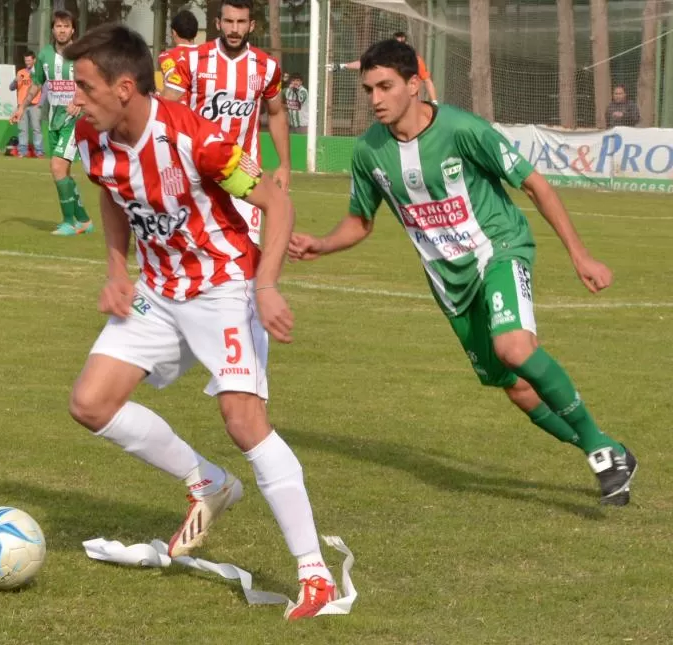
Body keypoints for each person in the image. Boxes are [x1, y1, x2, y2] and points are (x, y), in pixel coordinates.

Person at [65, 23, 338, 619]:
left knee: (244, 421)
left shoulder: (196, 139)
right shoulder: (93, 135)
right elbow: (111, 193)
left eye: (85, 86)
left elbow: (276, 202)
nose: (75, 98)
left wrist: (266, 286)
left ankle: (315, 574)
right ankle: (208, 482)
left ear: (125, 87)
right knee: (90, 403)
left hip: (224, 286)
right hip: (160, 290)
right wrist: (117, 267)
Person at [289, 39, 637, 506]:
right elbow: (361, 220)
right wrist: (323, 243)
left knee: (513, 348)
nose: (375, 98)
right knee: (514, 388)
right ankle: (611, 450)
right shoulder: (369, 151)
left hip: (498, 247)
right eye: (369, 88)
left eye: (386, 86)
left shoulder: (461, 129)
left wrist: (580, 254)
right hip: (448, 280)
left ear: (414, 85)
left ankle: (598, 449)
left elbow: (533, 183)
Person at [162, 0, 290, 245]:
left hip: (245, 171)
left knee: (248, 251)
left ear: (251, 25)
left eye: (241, 22)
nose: (234, 28)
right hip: (197, 173)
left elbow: (276, 113)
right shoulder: (193, 60)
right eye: (229, 21)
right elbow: (165, 108)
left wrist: (284, 164)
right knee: (195, 254)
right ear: (218, 23)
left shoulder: (267, 67)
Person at [10, 10, 92, 236]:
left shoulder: (82, 54)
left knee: (56, 167)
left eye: (66, 26)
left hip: (75, 120)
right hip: (54, 119)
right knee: (62, 171)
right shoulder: (45, 55)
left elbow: (92, 83)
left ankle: (69, 222)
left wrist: (80, 100)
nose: (62, 30)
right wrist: (22, 106)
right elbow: (36, 84)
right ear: (53, 29)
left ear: (73, 29)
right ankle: (84, 220)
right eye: (58, 26)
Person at [329, 31, 438, 105]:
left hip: (408, 104)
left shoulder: (415, 60)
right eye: (396, 43)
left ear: (406, 44)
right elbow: (363, 63)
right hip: (389, 103)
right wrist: (342, 66)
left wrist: (434, 102)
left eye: (402, 43)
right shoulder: (385, 58)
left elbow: (427, 81)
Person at [10, 51, 45, 158]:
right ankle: (22, 151)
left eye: (29, 60)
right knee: (22, 129)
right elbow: (11, 88)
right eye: (26, 60)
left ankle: (39, 152)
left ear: (34, 60)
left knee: (36, 129)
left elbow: (44, 89)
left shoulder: (39, 74)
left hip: (34, 105)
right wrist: (15, 81)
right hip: (21, 106)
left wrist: (40, 103)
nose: (27, 62)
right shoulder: (20, 72)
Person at [158, 9, 198, 88]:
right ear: (195, 33)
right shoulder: (207, 54)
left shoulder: (166, 56)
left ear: (174, 32)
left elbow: (171, 85)